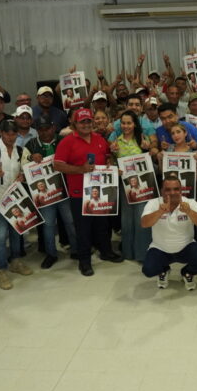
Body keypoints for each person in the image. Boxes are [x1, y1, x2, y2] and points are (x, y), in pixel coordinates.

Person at [54, 108, 123, 276]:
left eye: (88, 121)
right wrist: (80, 169)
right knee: (83, 228)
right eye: (82, 122)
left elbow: (107, 156)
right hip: (79, 192)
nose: (86, 125)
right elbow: (57, 165)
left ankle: (106, 251)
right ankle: (84, 261)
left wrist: (110, 163)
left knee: (102, 224)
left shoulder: (99, 139)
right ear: (74, 124)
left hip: (100, 189)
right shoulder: (67, 141)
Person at [22, 114, 78, 268]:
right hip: (44, 194)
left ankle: (76, 249)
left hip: (64, 190)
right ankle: (51, 254)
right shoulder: (31, 144)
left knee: (70, 221)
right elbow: (23, 164)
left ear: (53, 127)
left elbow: (74, 158)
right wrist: (31, 158)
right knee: (48, 225)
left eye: (47, 128)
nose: (44, 132)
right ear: (37, 130)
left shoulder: (63, 140)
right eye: (40, 129)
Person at [0, 120, 33, 290]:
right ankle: (2, 269)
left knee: (16, 231)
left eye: (14, 134)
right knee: (0, 236)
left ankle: (16, 261)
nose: (10, 137)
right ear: (0, 133)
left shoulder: (21, 150)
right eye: (7, 134)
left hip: (15, 198)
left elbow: (27, 171)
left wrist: (22, 177)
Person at [140, 175, 197, 290]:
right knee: (148, 270)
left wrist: (189, 211)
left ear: (181, 190)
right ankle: (164, 270)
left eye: (176, 189)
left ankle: (187, 272)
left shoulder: (190, 203)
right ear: (162, 190)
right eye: (168, 189)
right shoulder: (153, 203)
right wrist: (160, 212)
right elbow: (144, 224)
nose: (172, 193)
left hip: (186, 247)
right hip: (160, 248)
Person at [108, 111, 153, 262]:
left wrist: (147, 149)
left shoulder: (142, 139)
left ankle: (142, 254)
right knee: (126, 220)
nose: (126, 126)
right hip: (124, 184)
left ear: (135, 124)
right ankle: (128, 252)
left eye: (129, 123)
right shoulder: (116, 141)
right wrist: (114, 164)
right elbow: (110, 162)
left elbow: (150, 158)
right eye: (123, 123)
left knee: (141, 217)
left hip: (142, 184)